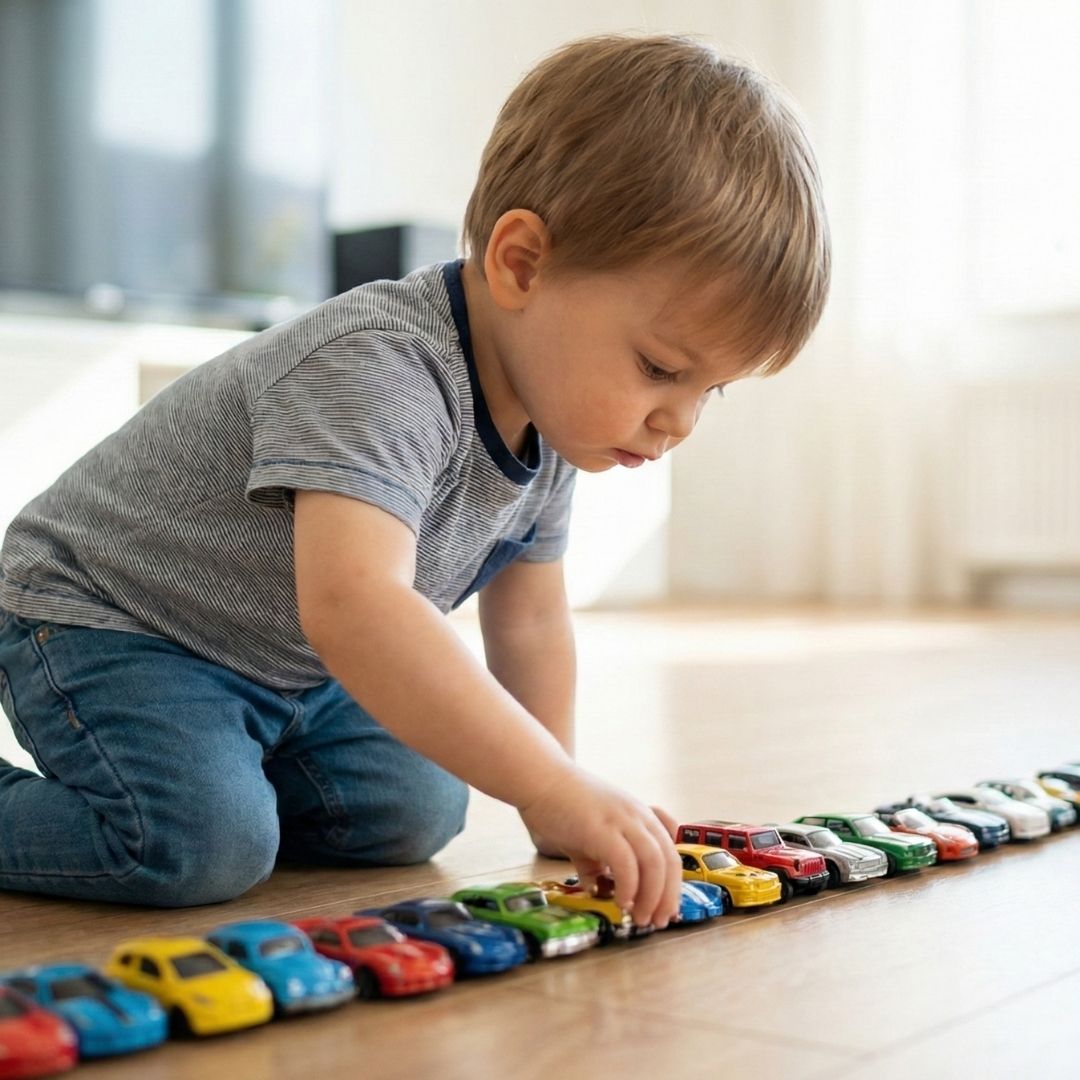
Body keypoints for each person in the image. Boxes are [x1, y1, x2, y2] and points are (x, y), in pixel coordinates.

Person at [0, 33, 829, 923]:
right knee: (194, 847)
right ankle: (198, 790)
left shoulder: (552, 416)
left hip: (280, 661)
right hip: (112, 620)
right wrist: (552, 784)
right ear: (522, 262)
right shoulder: (379, 370)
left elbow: (534, 619)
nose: (678, 421)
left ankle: (225, 764)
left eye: (711, 392)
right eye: (661, 369)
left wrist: (560, 796)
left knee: (416, 807)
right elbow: (357, 607)